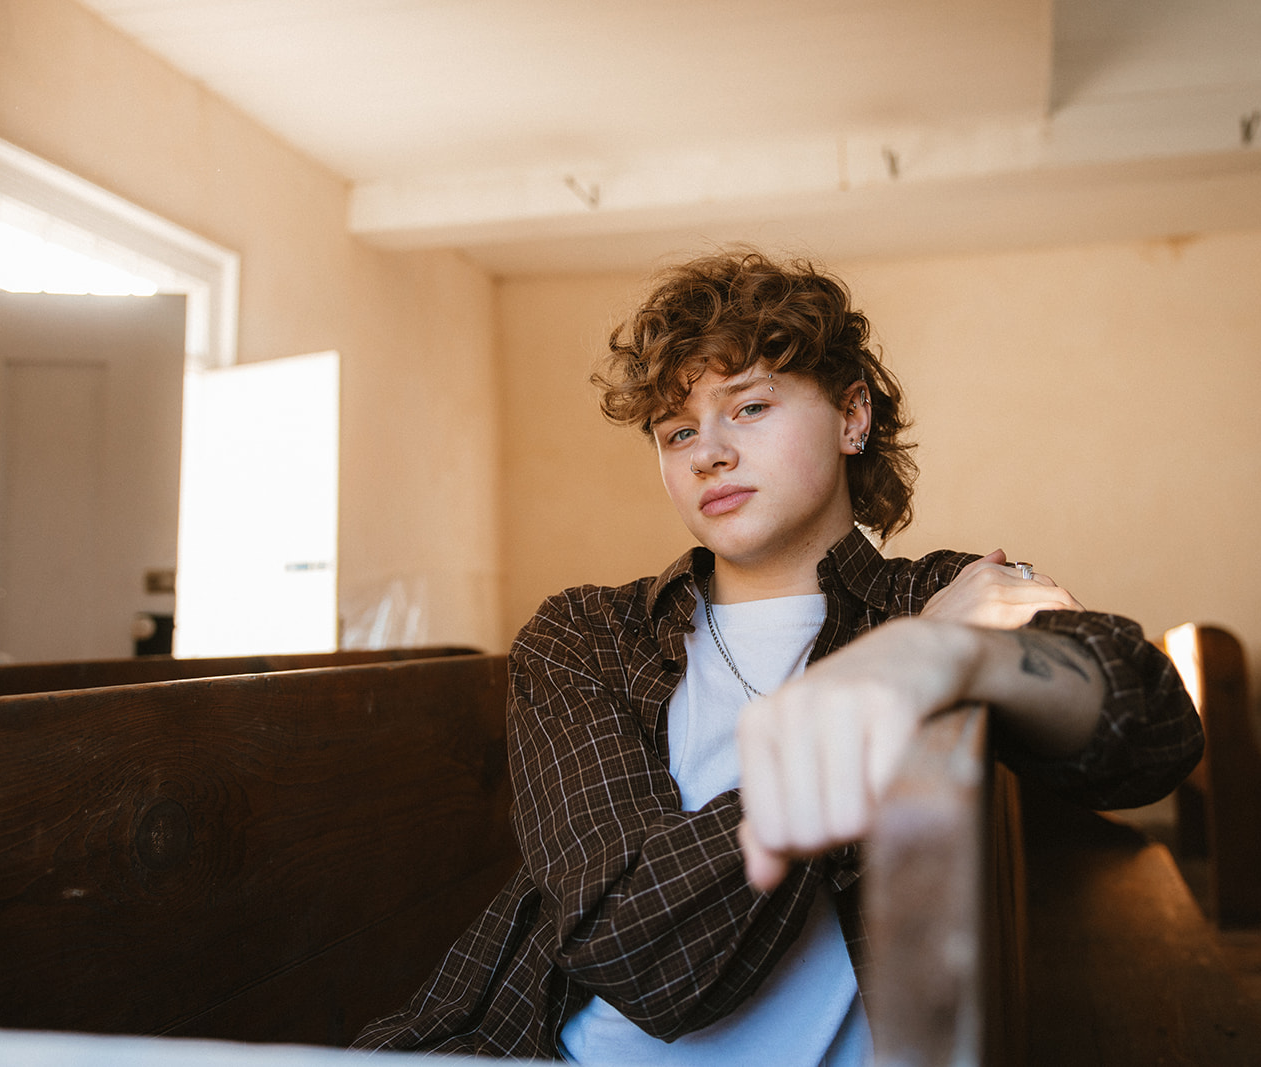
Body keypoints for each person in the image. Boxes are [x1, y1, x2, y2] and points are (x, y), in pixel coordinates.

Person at [352, 250, 1203, 1063]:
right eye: (675, 431)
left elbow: (1153, 738)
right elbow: (641, 957)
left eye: (750, 407)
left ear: (852, 414)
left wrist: (945, 657)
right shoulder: (588, 635)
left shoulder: (936, 602)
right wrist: (856, 756)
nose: (709, 452)